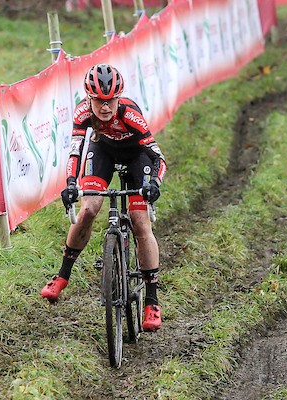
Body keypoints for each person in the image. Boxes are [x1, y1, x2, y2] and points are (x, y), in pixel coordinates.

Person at [41, 63, 167, 332]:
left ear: (118, 98)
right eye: (99, 100)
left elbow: (158, 157)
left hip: (137, 157)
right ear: (89, 98)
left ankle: (152, 301)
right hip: (103, 152)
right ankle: (62, 276)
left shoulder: (131, 115)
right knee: (88, 209)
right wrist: (71, 184)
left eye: (110, 100)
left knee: (140, 222)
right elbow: (76, 151)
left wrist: (154, 183)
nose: (105, 107)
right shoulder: (83, 113)